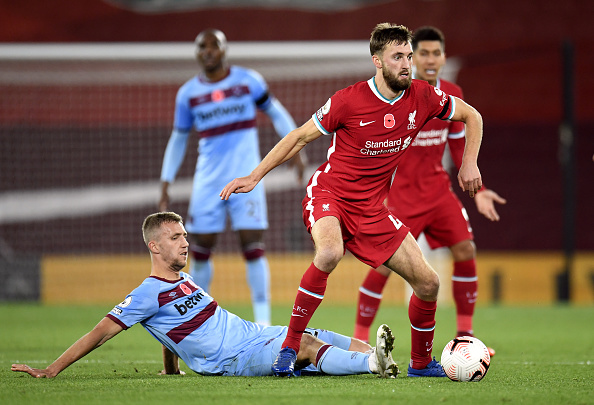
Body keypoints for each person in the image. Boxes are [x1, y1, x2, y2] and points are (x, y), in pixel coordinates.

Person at [220, 23, 484, 378]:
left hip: (372, 209)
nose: (407, 64)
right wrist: (254, 176)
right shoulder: (348, 100)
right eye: (397, 57)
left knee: (429, 283)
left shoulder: (423, 96)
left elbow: (472, 115)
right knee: (330, 252)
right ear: (378, 61)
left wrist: (469, 163)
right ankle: (289, 347)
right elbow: (299, 137)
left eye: (409, 56)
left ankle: (421, 364)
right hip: (330, 195)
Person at [11, 212, 399, 379]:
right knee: (307, 346)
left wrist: (171, 368)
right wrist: (51, 369)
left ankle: (380, 358)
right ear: (154, 246)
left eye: (184, 235)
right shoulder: (146, 293)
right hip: (232, 358)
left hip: (254, 335)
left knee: (320, 334)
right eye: (175, 238)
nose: (185, 242)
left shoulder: (184, 279)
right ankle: (371, 365)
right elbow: (98, 334)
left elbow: (168, 330)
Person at [353, 26, 506, 356]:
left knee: (465, 249)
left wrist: (478, 188)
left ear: (444, 57)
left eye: (436, 53)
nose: (430, 60)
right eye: (423, 53)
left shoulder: (451, 93)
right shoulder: (401, 94)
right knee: (383, 266)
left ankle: (465, 337)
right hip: (401, 197)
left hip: (438, 193)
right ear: (413, 58)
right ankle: (359, 338)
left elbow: (457, 144)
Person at [158, 28, 305, 327]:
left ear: (224, 50)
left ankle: (263, 324)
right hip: (208, 182)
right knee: (200, 248)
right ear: (197, 53)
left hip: (247, 178)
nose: (208, 51)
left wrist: (296, 150)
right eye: (202, 46)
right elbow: (178, 138)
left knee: (253, 245)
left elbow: (276, 113)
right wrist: (165, 181)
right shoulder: (188, 94)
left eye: (214, 45)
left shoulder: (248, 81)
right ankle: (199, 321)